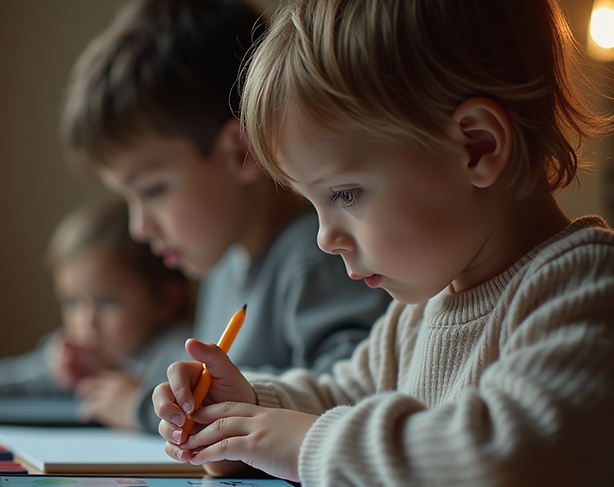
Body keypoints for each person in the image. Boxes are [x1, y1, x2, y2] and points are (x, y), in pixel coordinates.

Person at [152, 0, 614, 487]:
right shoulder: (415, 317)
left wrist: (303, 444)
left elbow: (510, 477)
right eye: (313, 204)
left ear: (477, 146)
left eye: (346, 194)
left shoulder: (594, 283)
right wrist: (244, 413)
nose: (324, 238)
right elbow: (343, 398)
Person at [59, 0, 391, 433]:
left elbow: (350, 400)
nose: (140, 227)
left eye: (154, 191)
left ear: (240, 152)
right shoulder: (226, 265)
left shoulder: (321, 254)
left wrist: (140, 406)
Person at [0, 197, 191, 429]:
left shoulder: (179, 353)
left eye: (109, 300)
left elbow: (191, 413)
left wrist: (130, 396)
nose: (86, 321)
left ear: (165, 300)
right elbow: (17, 378)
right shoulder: (76, 357)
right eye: (73, 302)